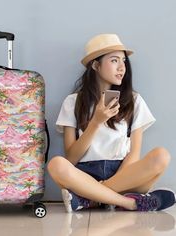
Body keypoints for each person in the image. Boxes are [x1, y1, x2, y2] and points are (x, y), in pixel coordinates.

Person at [47, 33, 175, 212]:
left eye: (123, 61)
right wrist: (96, 122)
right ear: (95, 65)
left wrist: (110, 183)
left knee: (162, 155)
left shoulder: (134, 100)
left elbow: (134, 154)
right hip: (85, 175)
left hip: (124, 174)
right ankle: (129, 202)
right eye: (114, 60)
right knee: (56, 164)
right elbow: (71, 158)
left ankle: (89, 198)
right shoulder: (73, 102)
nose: (122, 67)